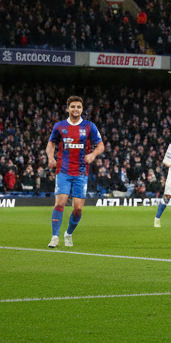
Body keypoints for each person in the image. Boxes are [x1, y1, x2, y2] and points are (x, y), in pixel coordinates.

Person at [45, 95, 105, 248]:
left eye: (78, 107)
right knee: (60, 203)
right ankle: (54, 237)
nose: (76, 109)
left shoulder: (89, 126)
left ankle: (68, 233)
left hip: (81, 172)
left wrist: (93, 154)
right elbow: (51, 144)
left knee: (78, 209)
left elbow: (101, 145)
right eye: (73, 106)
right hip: (63, 170)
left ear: (82, 109)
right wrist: (50, 157)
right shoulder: (59, 126)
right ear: (68, 109)